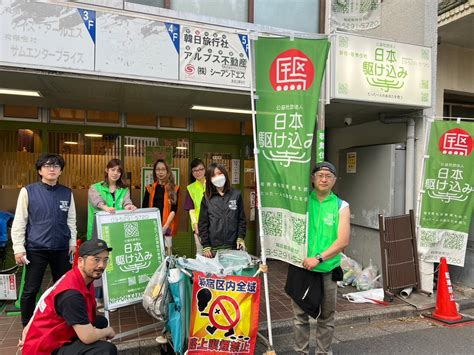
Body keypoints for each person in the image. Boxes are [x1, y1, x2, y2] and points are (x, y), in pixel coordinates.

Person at [11, 153, 77, 327]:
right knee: (30, 289)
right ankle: (27, 326)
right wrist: (18, 247)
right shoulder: (28, 191)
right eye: (47, 166)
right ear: (40, 170)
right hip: (36, 249)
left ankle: (63, 322)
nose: (52, 169)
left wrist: (72, 243)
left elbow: (71, 220)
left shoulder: (66, 192)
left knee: (64, 288)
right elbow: (20, 220)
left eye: (56, 166)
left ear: (61, 170)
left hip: (61, 248)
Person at [20, 239, 117, 355]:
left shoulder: (79, 277)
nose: (101, 265)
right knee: (106, 350)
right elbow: (88, 337)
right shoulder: (71, 294)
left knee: (100, 321)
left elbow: (47, 298)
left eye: (105, 260)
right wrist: (108, 331)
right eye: (96, 260)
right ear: (81, 261)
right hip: (44, 350)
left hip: (54, 335)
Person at [293, 161, 350, 354]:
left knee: (326, 317)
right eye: (320, 175)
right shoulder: (301, 201)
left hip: (327, 269)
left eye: (328, 176)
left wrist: (318, 258)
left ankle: (323, 352)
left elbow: (342, 241)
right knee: (300, 315)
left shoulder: (341, 206)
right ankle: (300, 351)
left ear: (334, 180)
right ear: (312, 179)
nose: (324, 179)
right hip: (301, 267)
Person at [198, 163, 246, 258]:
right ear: (210, 180)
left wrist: (241, 237)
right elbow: (203, 224)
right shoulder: (207, 198)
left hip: (234, 247)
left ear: (225, 174)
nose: (217, 177)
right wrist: (206, 245)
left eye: (219, 173)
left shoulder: (236, 195)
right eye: (213, 175)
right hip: (214, 249)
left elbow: (242, 219)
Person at [87, 158, 137, 240]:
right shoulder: (95, 188)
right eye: (113, 170)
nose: (115, 173)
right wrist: (106, 208)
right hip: (99, 230)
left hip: (117, 230)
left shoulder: (124, 189)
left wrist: (129, 206)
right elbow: (97, 201)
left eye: (118, 171)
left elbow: (126, 201)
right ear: (107, 170)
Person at [142, 159, 179, 256]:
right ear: (155, 171)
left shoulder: (174, 188)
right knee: (154, 253)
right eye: (158, 169)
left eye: (163, 169)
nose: (160, 172)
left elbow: (174, 210)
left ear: (167, 171)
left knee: (167, 252)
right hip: (152, 226)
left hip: (167, 226)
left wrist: (165, 226)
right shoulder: (149, 188)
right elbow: (144, 208)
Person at [183, 158, 206, 255]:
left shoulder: (213, 184)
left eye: (200, 169)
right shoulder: (191, 188)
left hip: (215, 223)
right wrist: (195, 225)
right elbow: (191, 210)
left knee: (215, 252)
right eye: (195, 170)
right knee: (200, 251)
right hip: (199, 225)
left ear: (205, 170)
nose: (198, 172)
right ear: (192, 173)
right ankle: (200, 270)